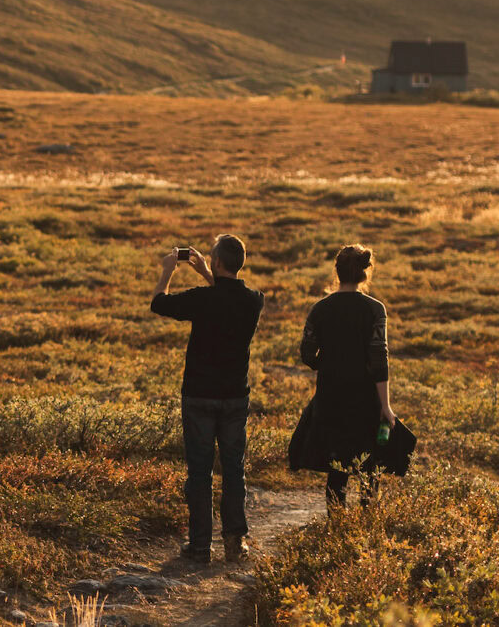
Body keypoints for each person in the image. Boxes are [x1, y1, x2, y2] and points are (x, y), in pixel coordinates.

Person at [150, 234, 264, 564]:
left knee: (199, 473)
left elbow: (159, 303)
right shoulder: (254, 300)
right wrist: (208, 273)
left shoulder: (202, 299)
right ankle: (234, 542)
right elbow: (227, 296)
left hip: (198, 394)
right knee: (233, 470)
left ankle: (200, 545)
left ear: (216, 261)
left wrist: (168, 271)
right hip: (234, 397)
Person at [288, 244, 396, 508]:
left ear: (337, 272)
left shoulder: (320, 309)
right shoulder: (375, 309)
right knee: (369, 466)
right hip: (366, 398)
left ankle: (336, 524)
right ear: (364, 273)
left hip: (330, 395)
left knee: (338, 466)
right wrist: (386, 406)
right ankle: (365, 529)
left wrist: (327, 365)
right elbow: (379, 360)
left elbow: (306, 353)